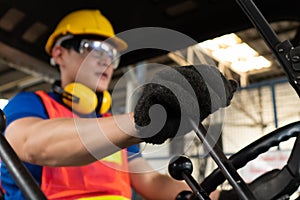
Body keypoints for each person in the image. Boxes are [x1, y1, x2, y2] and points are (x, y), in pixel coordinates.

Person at [0, 9, 236, 200]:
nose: (106, 60)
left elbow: (151, 183)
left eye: (112, 53)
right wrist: (141, 122)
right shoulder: (30, 104)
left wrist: (223, 197)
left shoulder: (111, 123)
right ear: (60, 53)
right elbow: (32, 143)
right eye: (92, 47)